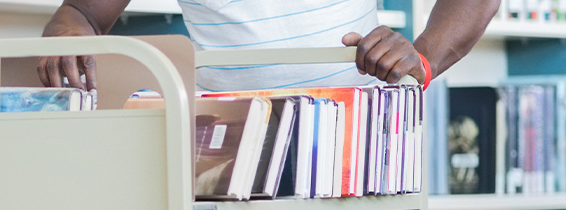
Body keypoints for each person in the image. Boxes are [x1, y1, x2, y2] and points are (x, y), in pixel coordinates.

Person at [36, 0, 500, 92]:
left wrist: (422, 57)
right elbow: (81, 13)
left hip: (360, 147)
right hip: (228, 154)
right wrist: (67, 34)